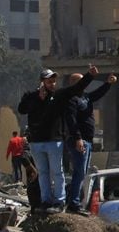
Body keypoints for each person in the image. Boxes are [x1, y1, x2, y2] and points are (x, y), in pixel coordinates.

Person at [17, 67, 96, 212]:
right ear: (42, 82)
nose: (52, 84)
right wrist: (37, 99)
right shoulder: (31, 96)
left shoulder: (59, 95)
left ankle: (59, 202)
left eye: (54, 81)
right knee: (43, 172)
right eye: (49, 81)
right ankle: (46, 201)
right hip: (36, 141)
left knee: (57, 172)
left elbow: (76, 87)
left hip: (54, 141)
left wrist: (89, 76)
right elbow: (22, 109)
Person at [64, 69, 117, 210]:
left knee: (83, 172)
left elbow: (97, 94)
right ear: (74, 83)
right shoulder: (71, 99)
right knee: (79, 172)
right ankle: (73, 202)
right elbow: (71, 121)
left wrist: (108, 84)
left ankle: (76, 200)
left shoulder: (85, 97)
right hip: (79, 141)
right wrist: (78, 138)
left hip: (87, 141)